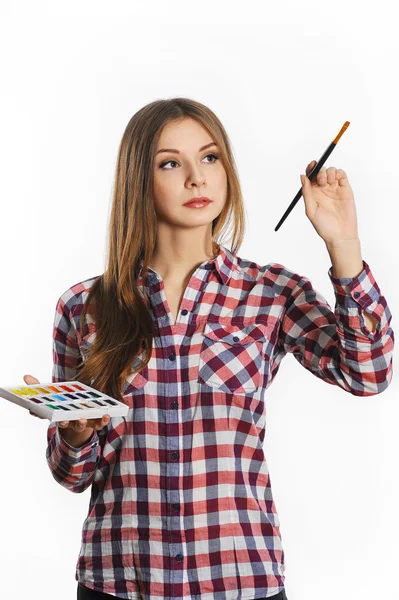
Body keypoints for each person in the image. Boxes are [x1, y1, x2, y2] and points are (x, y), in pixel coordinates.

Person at [26, 98, 393, 600]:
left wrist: (344, 245)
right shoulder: (84, 307)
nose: (196, 179)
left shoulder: (271, 293)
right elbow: (72, 475)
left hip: (239, 580)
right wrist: (73, 433)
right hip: (119, 583)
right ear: (139, 180)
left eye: (210, 157)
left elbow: (369, 373)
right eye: (170, 163)